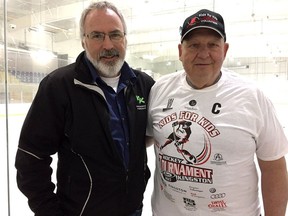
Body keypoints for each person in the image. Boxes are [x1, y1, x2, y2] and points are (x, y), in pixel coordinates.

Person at [15, 1, 154, 216]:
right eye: (97, 36)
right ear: (83, 41)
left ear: (125, 39)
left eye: (115, 34)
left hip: (132, 209)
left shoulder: (144, 84)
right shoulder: (59, 86)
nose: (108, 45)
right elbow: (31, 158)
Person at [146, 9, 288, 216]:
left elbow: (273, 167)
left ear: (225, 50)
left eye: (212, 45)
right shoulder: (160, 90)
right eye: (194, 45)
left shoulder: (251, 96)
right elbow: (145, 139)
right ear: (180, 51)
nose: (203, 54)